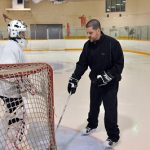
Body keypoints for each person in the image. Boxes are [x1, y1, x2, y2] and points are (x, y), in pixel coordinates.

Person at [67, 19, 124, 148]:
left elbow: (119, 65)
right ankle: (92, 125)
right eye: (87, 33)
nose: (89, 35)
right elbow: (82, 64)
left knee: (110, 110)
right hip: (95, 82)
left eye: (91, 33)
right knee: (93, 106)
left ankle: (113, 136)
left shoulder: (112, 44)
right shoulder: (88, 45)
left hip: (110, 84)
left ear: (98, 30)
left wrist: (108, 76)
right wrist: (74, 79)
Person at [0, 19, 33, 150]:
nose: (24, 36)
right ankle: (11, 145)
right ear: (16, 33)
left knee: (17, 117)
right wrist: (24, 84)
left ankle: (13, 143)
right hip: (10, 91)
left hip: (6, 90)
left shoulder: (8, 46)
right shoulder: (11, 48)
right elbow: (9, 72)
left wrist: (27, 83)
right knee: (18, 118)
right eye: (22, 33)